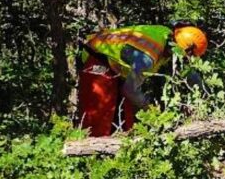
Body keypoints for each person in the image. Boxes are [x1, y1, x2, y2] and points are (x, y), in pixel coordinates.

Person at [76, 23, 208, 137]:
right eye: (186, 57)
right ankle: (90, 157)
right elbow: (130, 90)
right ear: (180, 49)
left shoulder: (168, 37)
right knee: (98, 118)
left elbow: (188, 72)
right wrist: (151, 111)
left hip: (115, 67)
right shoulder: (147, 57)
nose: (184, 61)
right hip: (97, 57)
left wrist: (203, 96)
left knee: (126, 120)